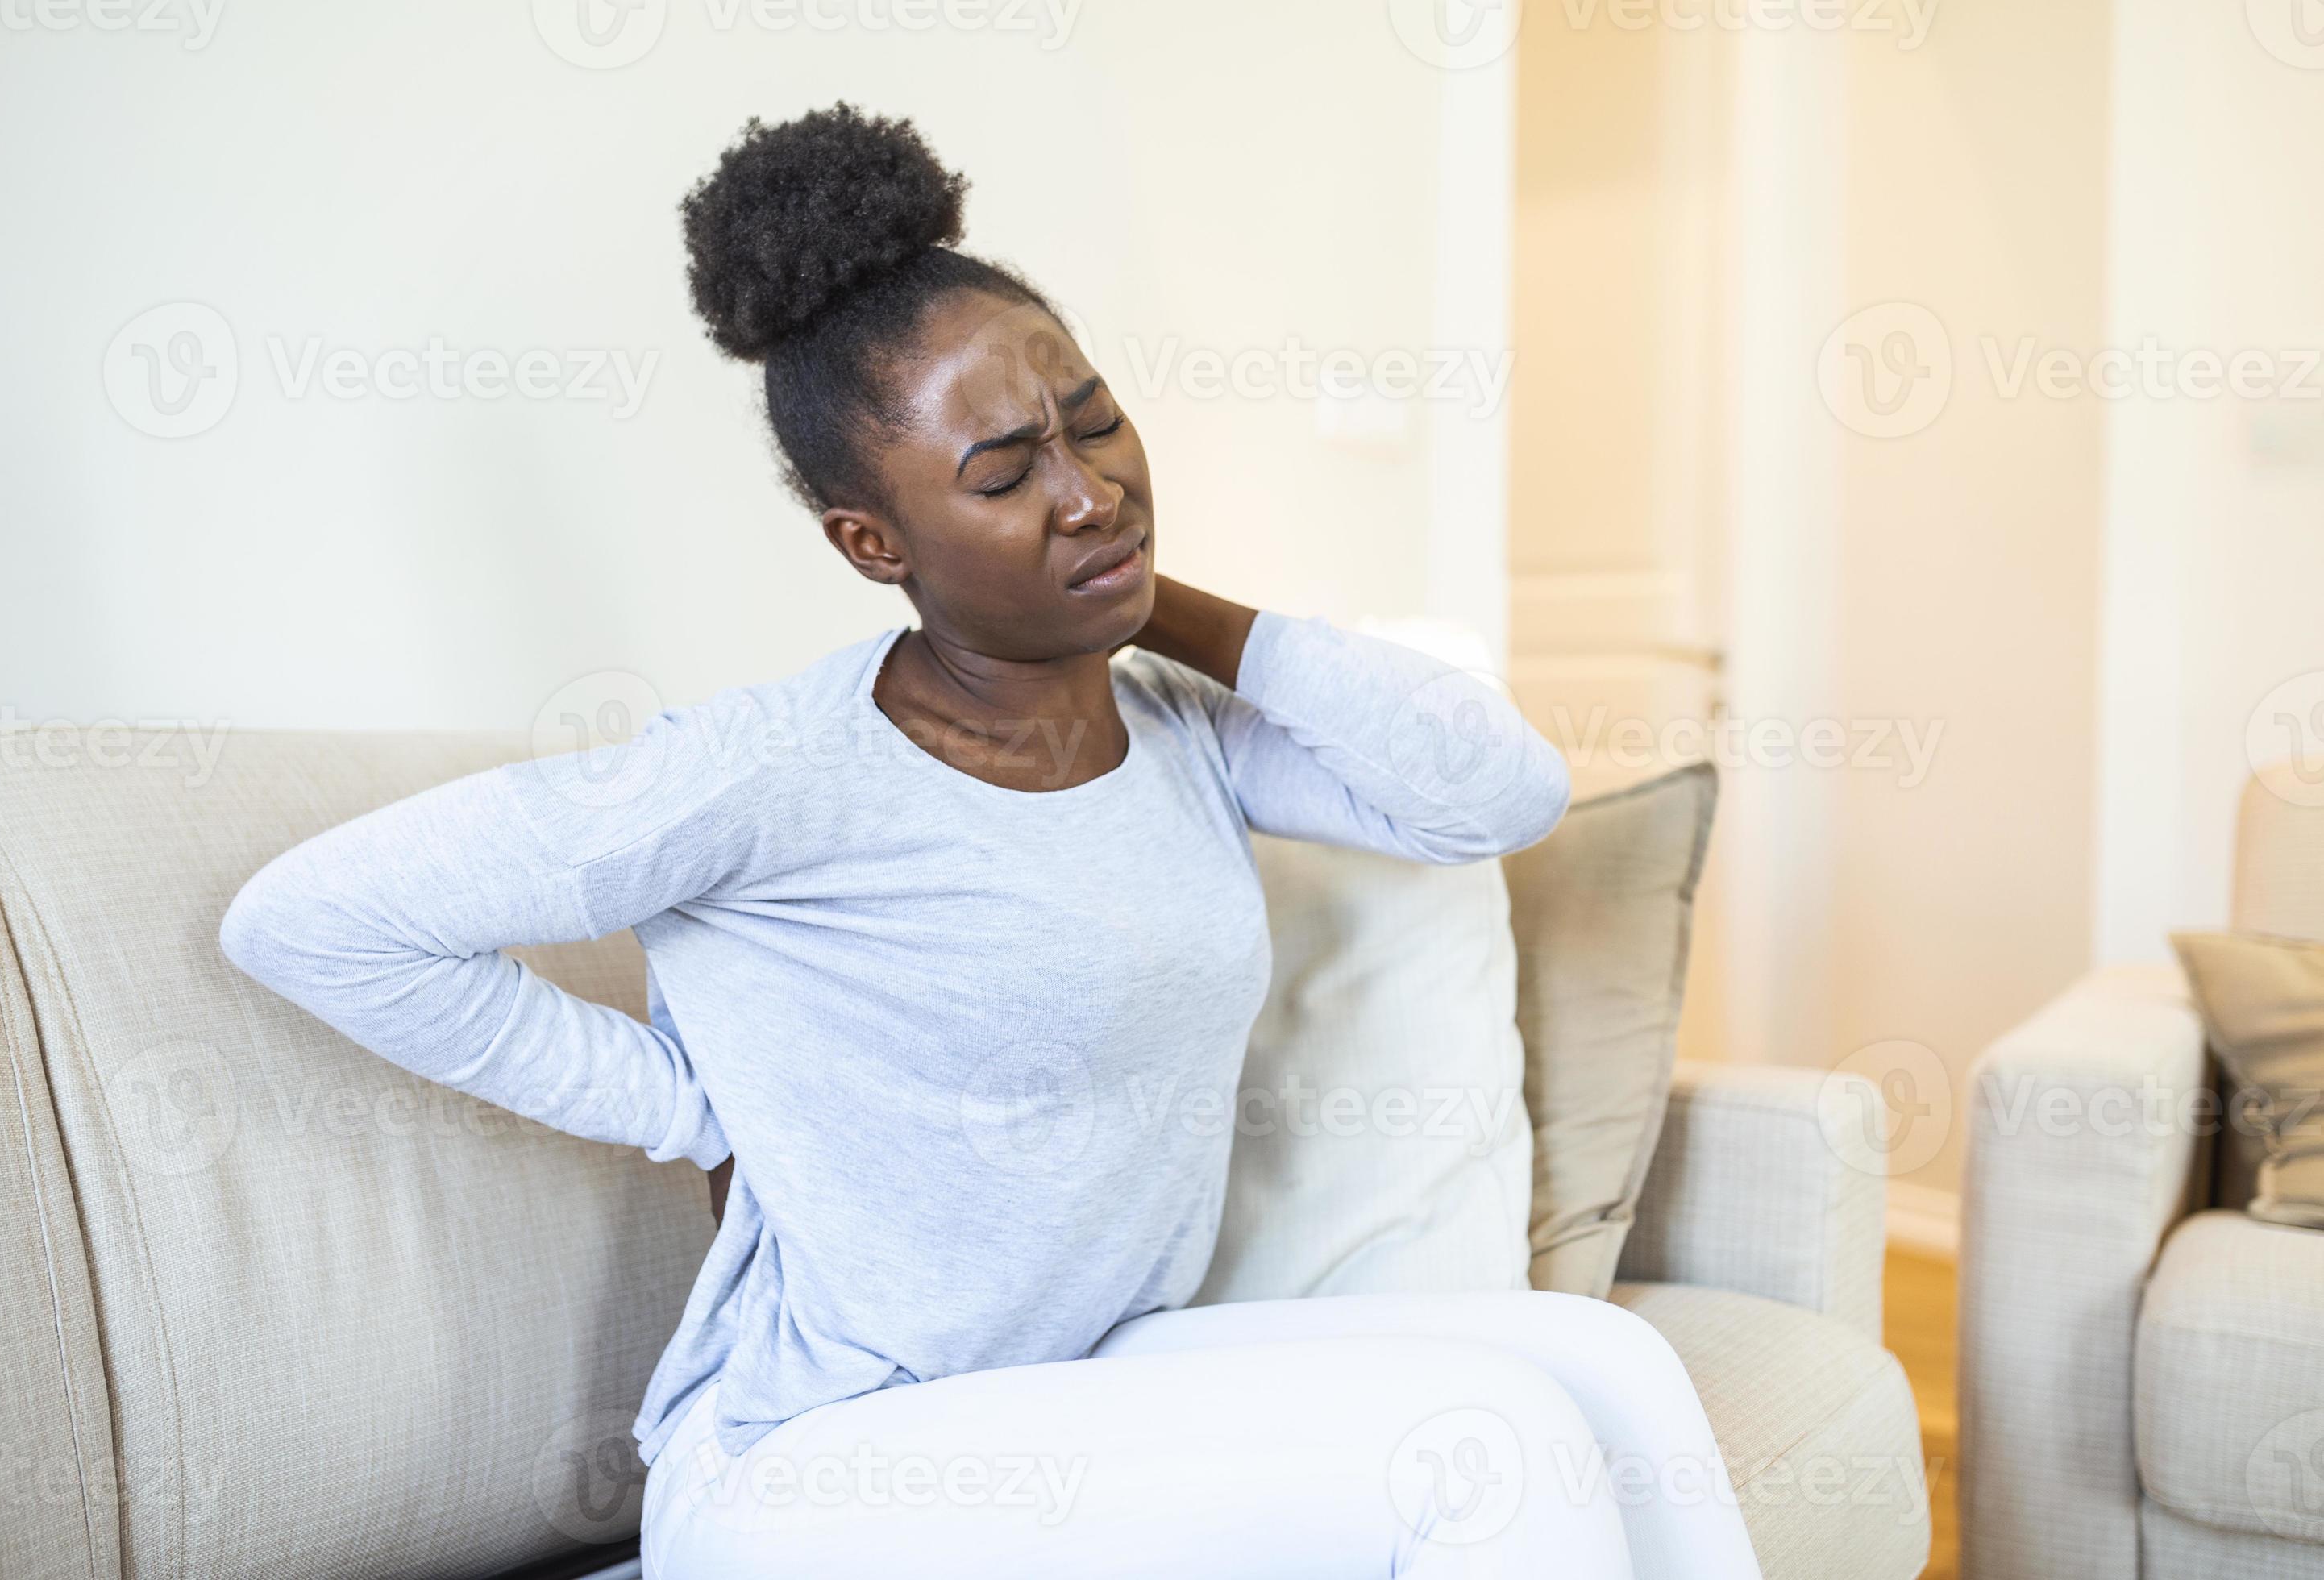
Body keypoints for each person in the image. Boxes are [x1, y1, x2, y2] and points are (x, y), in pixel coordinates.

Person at [220, 102, 1760, 1578]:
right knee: (1477, 1440)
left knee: (1605, 1373)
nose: (1089, 492)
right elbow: (310, 922)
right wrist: (691, 1104)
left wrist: (1171, 606)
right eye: (1007, 473)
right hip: (825, 1460)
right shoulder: (765, 772)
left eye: (1094, 426)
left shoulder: (1174, 727)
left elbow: (1497, 797)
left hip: (1081, 1385)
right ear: (871, 544)